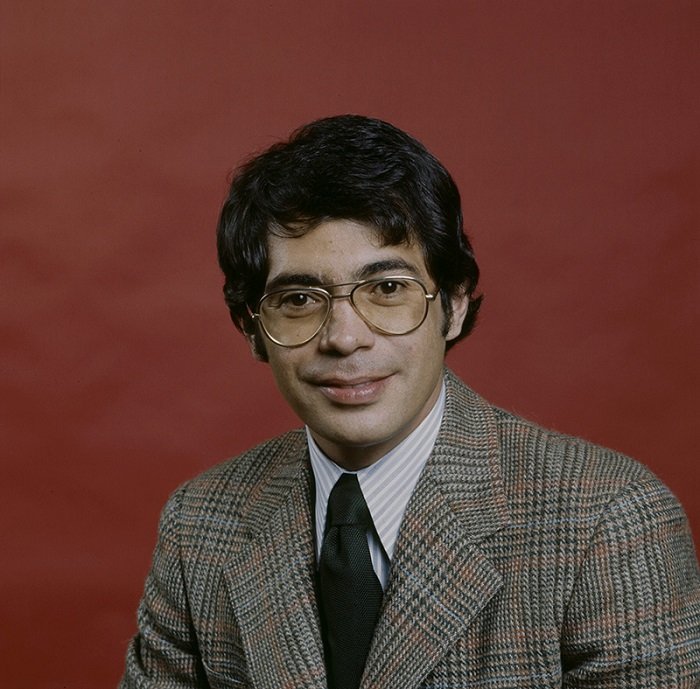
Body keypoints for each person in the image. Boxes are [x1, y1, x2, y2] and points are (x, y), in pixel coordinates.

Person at [120, 115, 700, 688]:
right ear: (252, 329)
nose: (344, 337)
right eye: (299, 297)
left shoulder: (608, 521)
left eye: (388, 289)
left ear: (453, 305)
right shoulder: (198, 527)